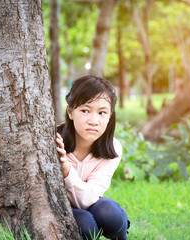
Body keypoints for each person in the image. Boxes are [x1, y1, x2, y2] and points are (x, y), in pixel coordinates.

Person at [56, 75, 129, 240]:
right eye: (85, 111)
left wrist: (67, 172)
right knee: (85, 223)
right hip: (64, 209)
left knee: (110, 213)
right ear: (70, 112)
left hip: (92, 202)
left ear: (110, 116)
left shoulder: (113, 149)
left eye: (102, 112)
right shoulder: (53, 141)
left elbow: (90, 198)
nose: (94, 121)